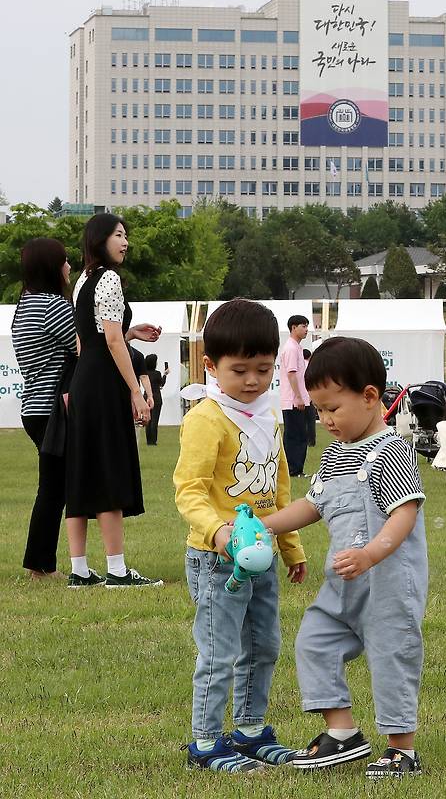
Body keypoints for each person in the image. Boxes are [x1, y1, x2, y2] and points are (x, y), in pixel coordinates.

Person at [261, 336, 427, 778]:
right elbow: (314, 505)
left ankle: (401, 748)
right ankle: (342, 733)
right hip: (343, 580)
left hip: (387, 582)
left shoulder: (389, 451)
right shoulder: (335, 454)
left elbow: (403, 514)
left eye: (333, 408)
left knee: (392, 656)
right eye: (318, 410)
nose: (325, 419)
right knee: (313, 641)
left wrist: (372, 554)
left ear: (370, 397)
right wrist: (268, 525)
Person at [173, 298, 307, 774]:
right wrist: (219, 530)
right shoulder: (206, 420)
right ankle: (206, 743)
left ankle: (250, 731)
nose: (253, 380)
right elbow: (188, 491)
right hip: (218, 559)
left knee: (264, 645)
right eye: (240, 370)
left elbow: (280, 485)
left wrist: (290, 546)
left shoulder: (270, 413)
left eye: (264, 369)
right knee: (219, 653)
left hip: (263, 554)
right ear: (211, 366)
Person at [65, 213, 162, 588]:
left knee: (82, 471)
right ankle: (118, 571)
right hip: (104, 384)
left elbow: (90, 339)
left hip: (84, 377)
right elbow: (111, 341)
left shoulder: (82, 280)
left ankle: (78, 570)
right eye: (119, 235)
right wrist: (136, 391)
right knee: (108, 468)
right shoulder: (109, 278)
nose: (126, 242)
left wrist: (130, 331)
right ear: (100, 239)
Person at [11, 238, 77, 580]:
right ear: (52, 267)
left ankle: (40, 563)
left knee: (53, 486)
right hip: (54, 410)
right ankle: (41, 566)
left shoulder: (25, 305)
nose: (69, 267)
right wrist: (126, 337)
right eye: (64, 262)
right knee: (54, 489)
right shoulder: (55, 307)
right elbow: (86, 347)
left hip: (33, 408)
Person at [280, 314, 310, 477]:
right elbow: (291, 374)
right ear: (293, 328)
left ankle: (295, 469)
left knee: (298, 434)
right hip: (292, 400)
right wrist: (297, 397)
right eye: (303, 326)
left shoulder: (296, 347)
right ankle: (294, 469)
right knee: (295, 435)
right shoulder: (291, 348)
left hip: (297, 399)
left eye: (306, 326)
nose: (306, 330)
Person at [144, 353, 169, 446]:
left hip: (146, 397)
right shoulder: (157, 373)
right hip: (156, 398)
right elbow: (161, 383)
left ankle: (148, 440)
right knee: (155, 420)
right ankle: (153, 441)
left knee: (148, 419)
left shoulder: (145, 373)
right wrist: (165, 374)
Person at [302, 347, 316, 448]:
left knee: (302, 421)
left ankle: (304, 439)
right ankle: (311, 440)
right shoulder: (310, 366)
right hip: (309, 397)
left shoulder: (299, 366)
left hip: (300, 398)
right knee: (310, 421)